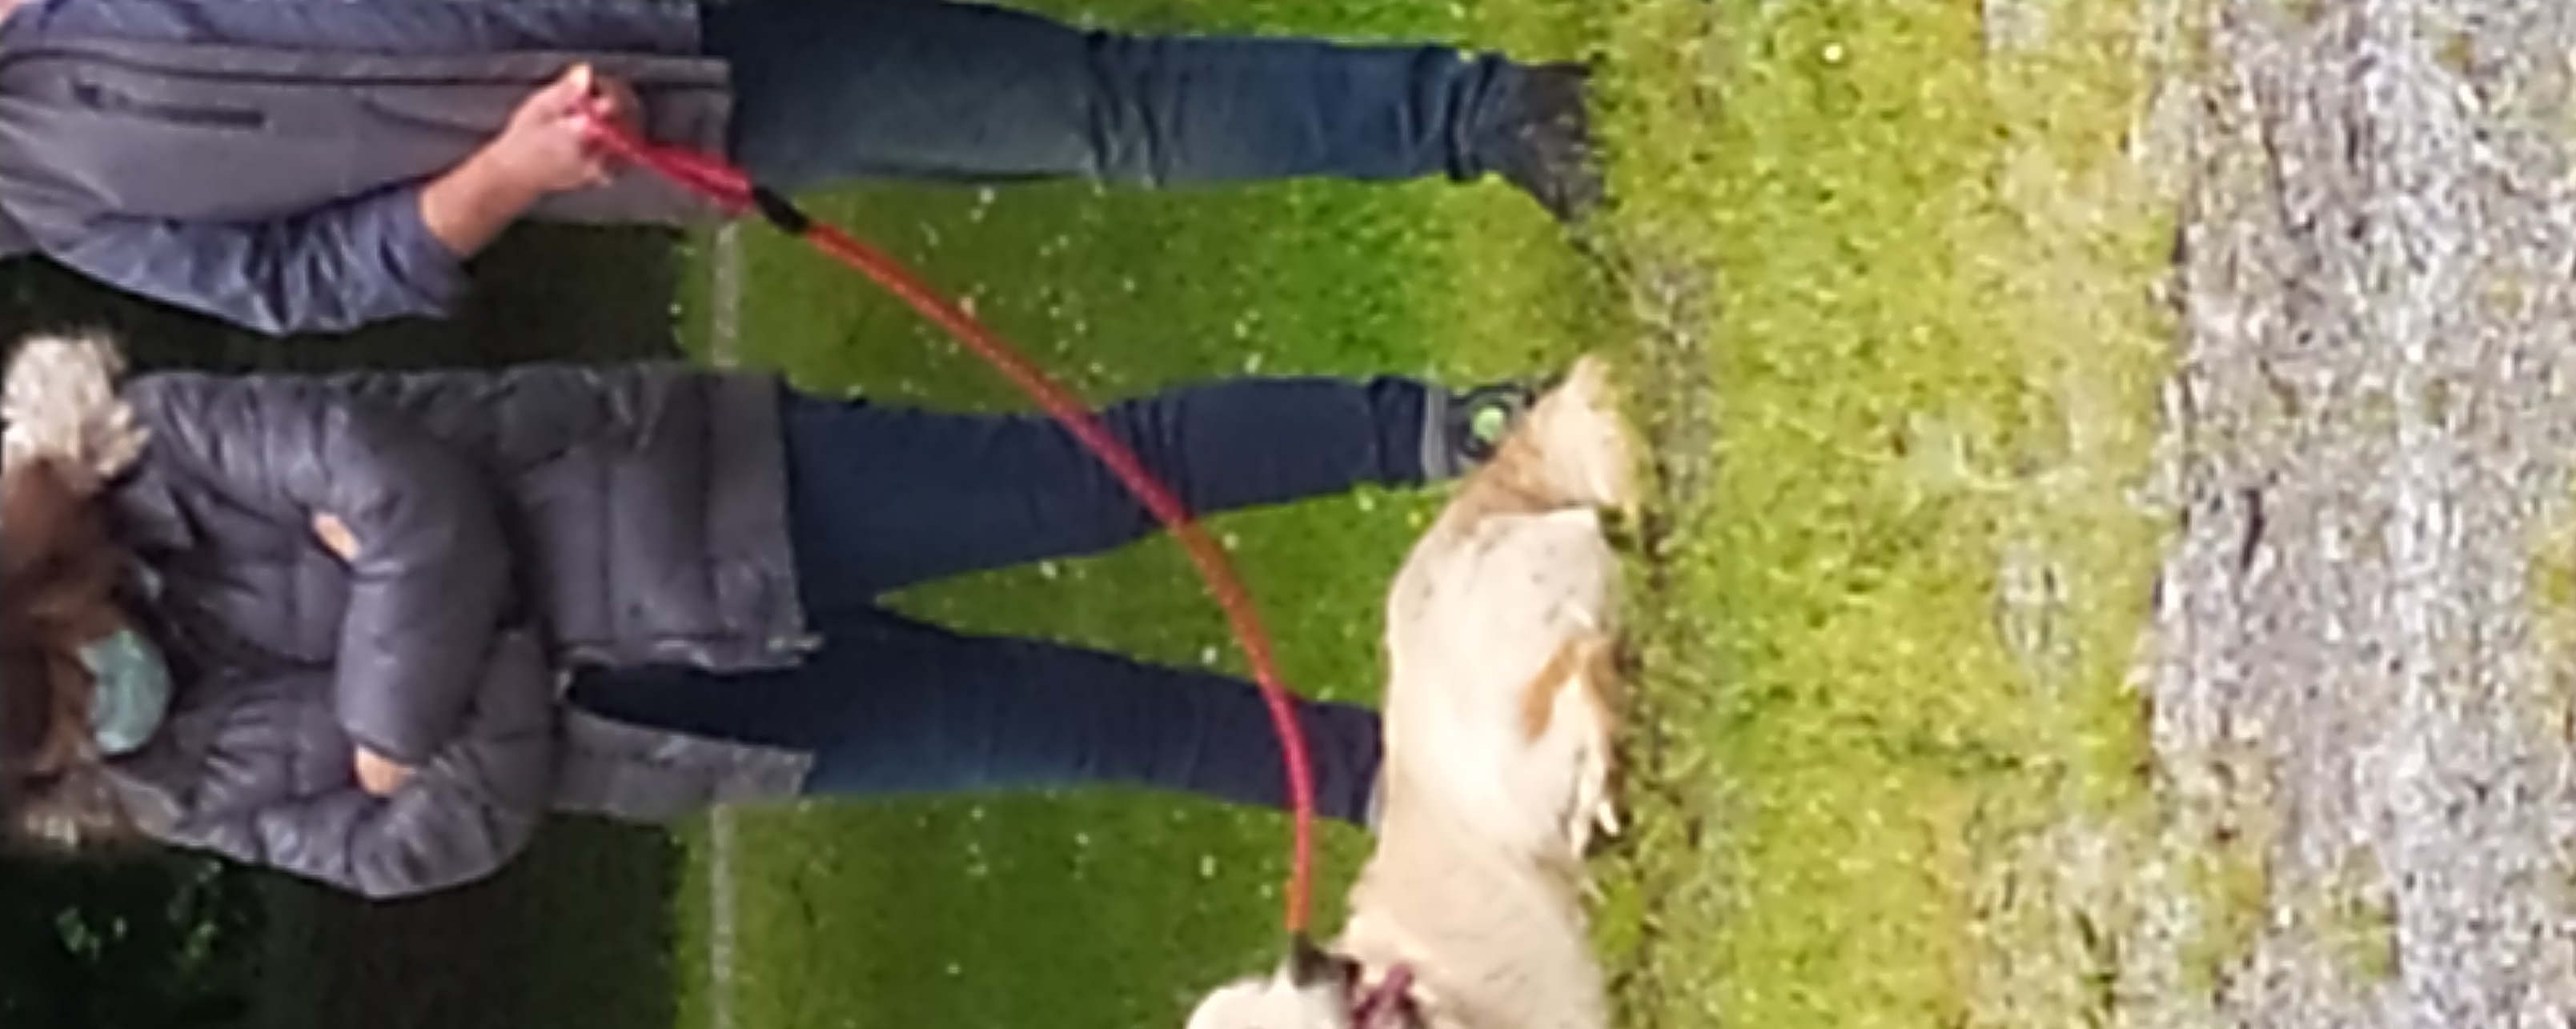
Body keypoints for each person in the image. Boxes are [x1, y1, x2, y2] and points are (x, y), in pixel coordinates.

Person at [0, 330, 1533, 899]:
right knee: (1071, 722)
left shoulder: (137, 446)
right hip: (678, 730)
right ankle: (1413, 785)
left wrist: (397, 720)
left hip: (713, 498)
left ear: (35, 592)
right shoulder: (155, 781)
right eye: (57, 742)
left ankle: (1438, 429)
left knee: (1090, 483)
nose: (92, 711)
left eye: (59, 676)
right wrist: (463, 639)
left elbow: (410, 491)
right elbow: (417, 851)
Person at [0, 0, 1601, 336]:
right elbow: (299, 281)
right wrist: (505, 169)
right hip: (668, 76)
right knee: (1087, 111)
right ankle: (1485, 120)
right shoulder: (42, 196)